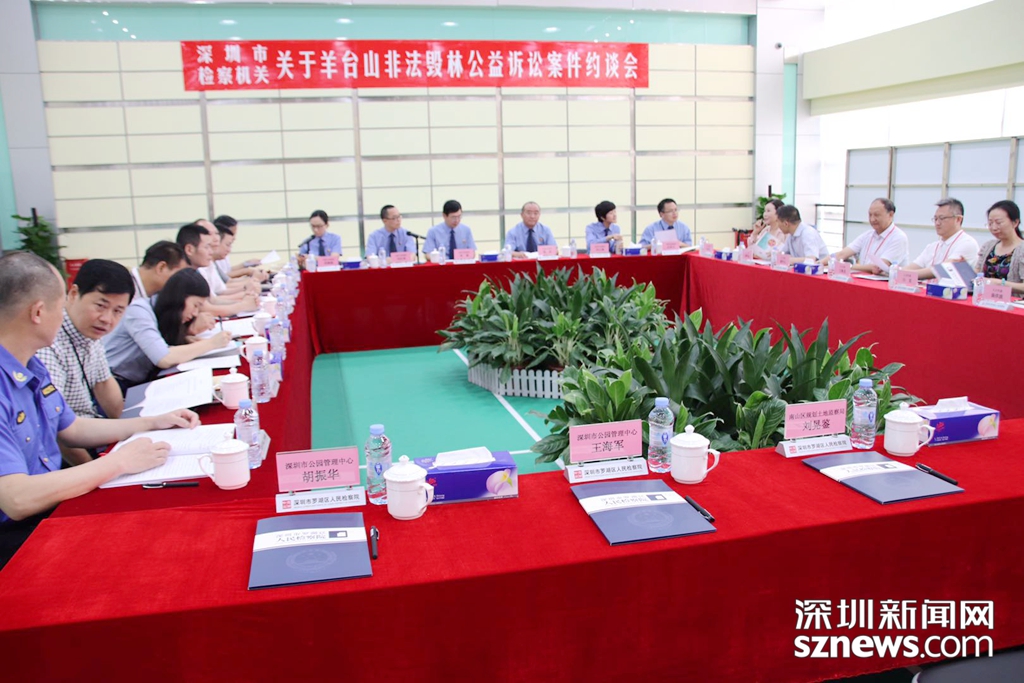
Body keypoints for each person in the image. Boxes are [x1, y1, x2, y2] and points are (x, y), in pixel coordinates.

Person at [0, 251, 199, 567]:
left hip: (48, 503)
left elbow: (71, 428)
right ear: (38, 312)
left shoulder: (31, 364)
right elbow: (16, 499)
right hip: (16, 536)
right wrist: (118, 462)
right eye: (59, 306)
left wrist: (152, 422)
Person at [36, 260, 134, 466]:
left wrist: (130, 430)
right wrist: (94, 469)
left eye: (118, 311)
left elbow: (104, 383)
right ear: (73, 294)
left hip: (90, 430)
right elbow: (56, 427)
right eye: (100, 306)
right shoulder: (48, 342)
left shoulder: (89, 332)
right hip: (65, 451)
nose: (107, 319)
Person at [103, 269, 233, 393]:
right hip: (115, 385)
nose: (195, 313)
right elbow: (164, 358)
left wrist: (186, 337)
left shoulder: (160, 312)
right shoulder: (138, 311)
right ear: (179, 298)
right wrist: (211, 343)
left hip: (138, 381)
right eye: (195, 305)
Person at [176, 223, 256, 317]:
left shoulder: (195, 272)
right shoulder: (183, 276)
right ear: (189, 250)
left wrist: (244, 301)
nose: (211, 252)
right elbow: (208, 308)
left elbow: (212, 299)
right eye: (206, 247)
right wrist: (244, 305)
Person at [821, 198, 908, 273]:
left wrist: (846, 266)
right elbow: (842, 254)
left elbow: (878, 267)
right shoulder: (867, 235)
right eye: (870, 215)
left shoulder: (898, 237)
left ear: (890, 215)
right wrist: (819, 263)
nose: (872, 219)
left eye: (877, 215)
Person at [902, 198, 980, 280]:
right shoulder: (932, 246)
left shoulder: (967, 243)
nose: (937, 223)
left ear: (958, 219)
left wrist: (906, 275)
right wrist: (900, 272)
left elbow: (942, 270)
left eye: (942, 218)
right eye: (935, 219)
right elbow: (912, 267)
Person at [973, 199, 1024, 294]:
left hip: (1012, 302)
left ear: (1015, 222)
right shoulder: (988, 246)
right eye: (990, 223)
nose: (994, 227)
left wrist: (1000, 283)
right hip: (984, 299)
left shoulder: (1021, 250)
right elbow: (977, 273)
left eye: (998, 222)